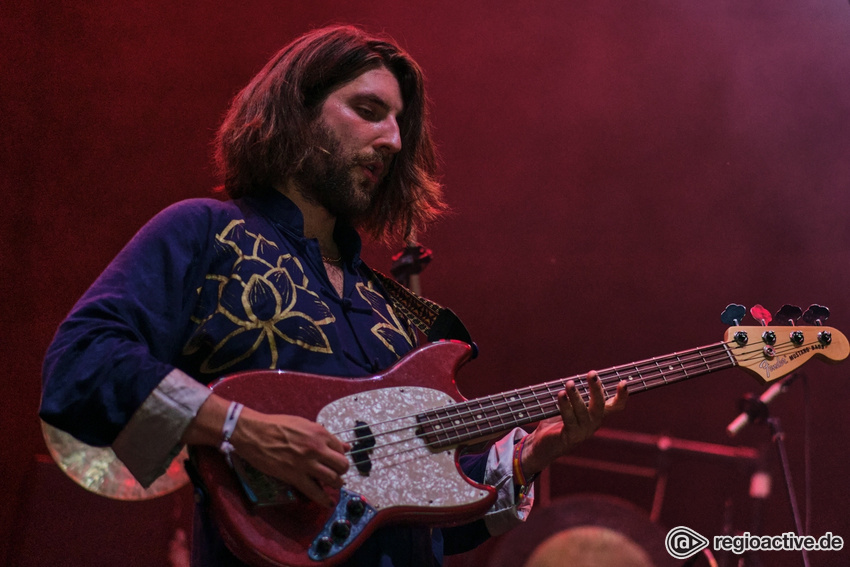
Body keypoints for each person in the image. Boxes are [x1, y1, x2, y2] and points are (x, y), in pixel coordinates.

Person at [40, 25, 628, 566]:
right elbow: (81, 363)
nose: (394, 140)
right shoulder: (204, 232)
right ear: (296, 114)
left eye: (400, 124)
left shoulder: (392, 310)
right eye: (369, 111)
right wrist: (241, 428)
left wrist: (530, 457)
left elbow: (423, 518)